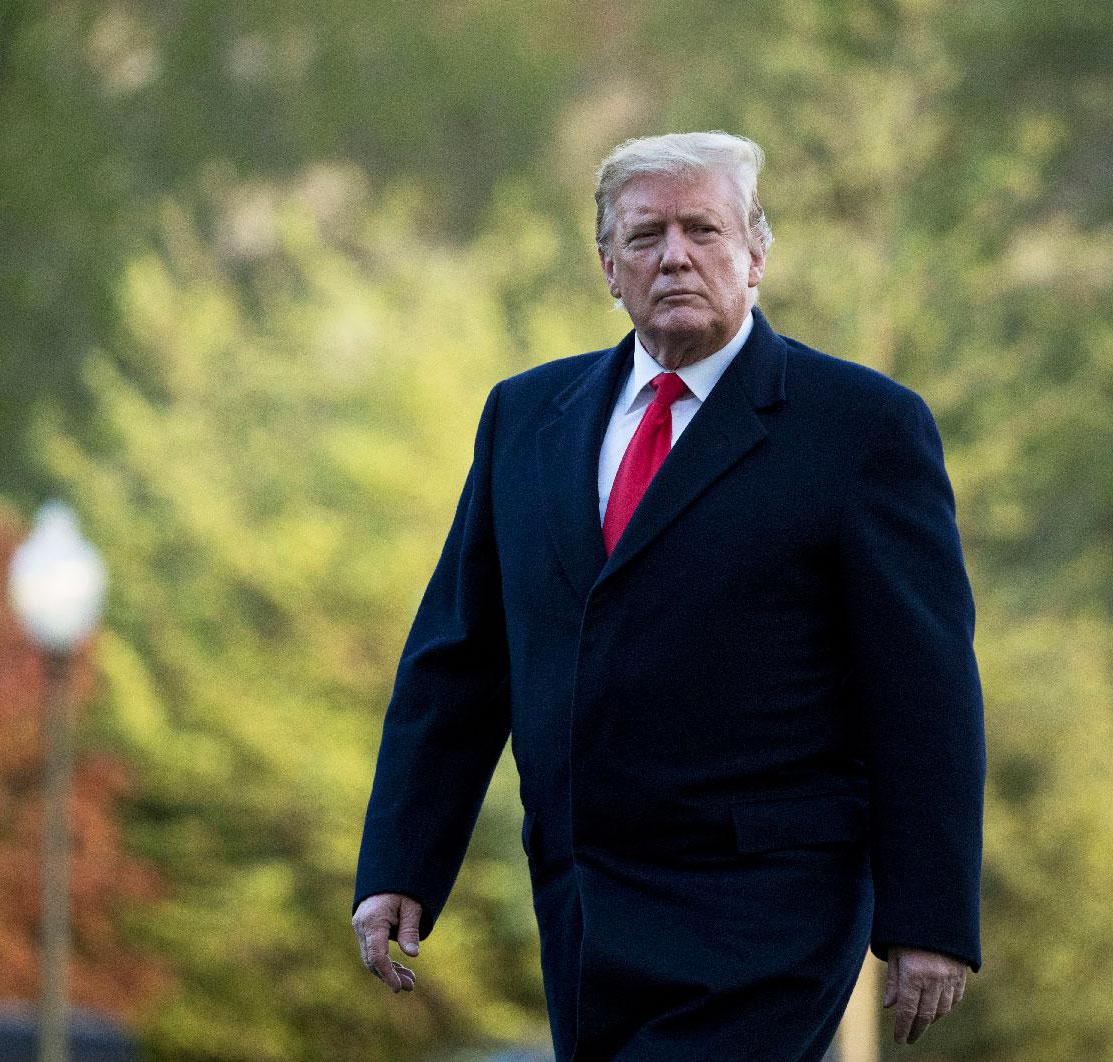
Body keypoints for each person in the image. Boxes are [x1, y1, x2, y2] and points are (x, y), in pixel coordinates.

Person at [352, 131, 985, 1060]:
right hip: (583, 906)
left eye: (704, 229)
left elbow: (924, 690)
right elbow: (458, 658)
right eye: (645, 236)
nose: (674, 254)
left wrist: (927, 915)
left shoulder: (861, 429)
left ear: (756, 252)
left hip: (769, 908)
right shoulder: (525, 419)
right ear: (608, 266)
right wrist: (401, 861)